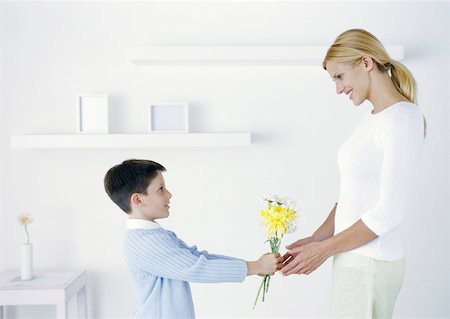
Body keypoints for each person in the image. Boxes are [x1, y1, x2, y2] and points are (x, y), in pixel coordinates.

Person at [281, 29, 425, 318]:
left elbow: (389, 211)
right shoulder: (373, 118)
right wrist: (317, 240)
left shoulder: (402, 118)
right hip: (355, 260)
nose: (338, 88)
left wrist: (324, 250)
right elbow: (353, 196)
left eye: (339, 76)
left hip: (369, 264)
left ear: (366, 63)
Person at [104, 159, 283, 319]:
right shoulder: (145, 243)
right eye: (160, 189)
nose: (169, 194)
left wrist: (254, 265)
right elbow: (196, 267)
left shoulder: (154, 236)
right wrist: (255, 266)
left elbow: (197, 258)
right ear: (138, 200)